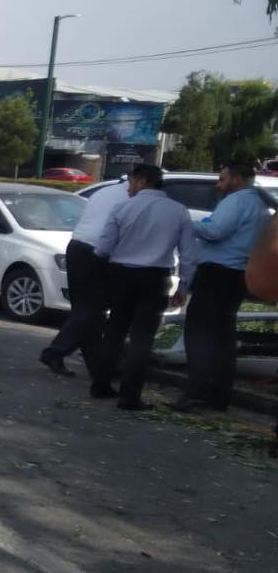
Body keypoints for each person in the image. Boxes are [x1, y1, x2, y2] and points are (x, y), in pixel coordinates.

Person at [91, 164, 195, 410]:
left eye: (131, 182)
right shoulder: (179, 212)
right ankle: (130, 397)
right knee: (142, 337)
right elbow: (189, 255)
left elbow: (103, 247)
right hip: (155, 277)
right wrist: (184, 286)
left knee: (115, 331)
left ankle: (100, 385)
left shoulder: (122, 208)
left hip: (122, 274)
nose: (128, 188)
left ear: (143, 181)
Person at [171, 163, 270, 412]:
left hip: (217, 273)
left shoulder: (236, 201)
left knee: (199, 334)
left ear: (236, 180)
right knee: (223, 336)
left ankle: (197, 393)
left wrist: (187, 224)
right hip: (238, 274)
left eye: (222, 178)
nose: (218, 184)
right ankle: (219, 395)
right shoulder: (260, 206)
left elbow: (216, 231)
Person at [39, 179, 130, 376]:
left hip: (77, 247)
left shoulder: (105, 192)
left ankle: (98, 365)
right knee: (94, 309)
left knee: (85, 310)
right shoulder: (129, 198)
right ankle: (56, 351)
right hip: (97, 251)